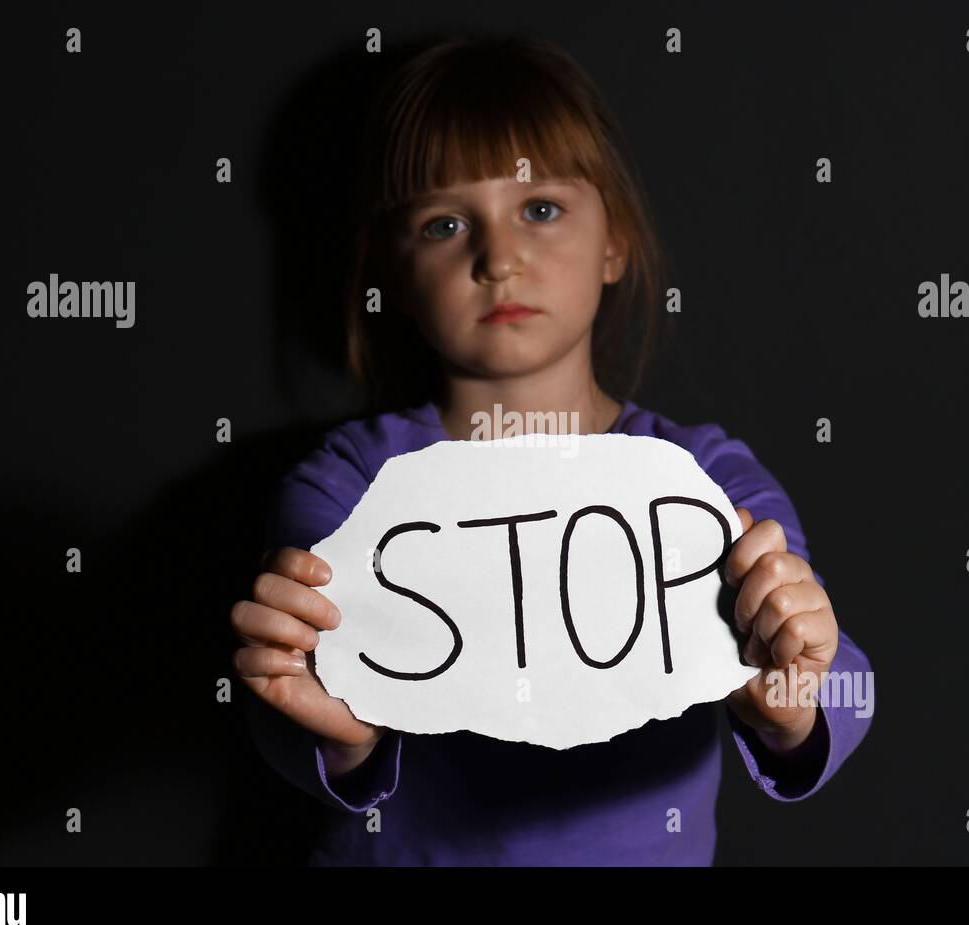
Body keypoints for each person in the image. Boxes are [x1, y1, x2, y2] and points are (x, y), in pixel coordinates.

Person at [230, 34, 873, 865]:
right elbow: (292, 705)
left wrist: (795, 698)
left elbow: (834, 671)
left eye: (540, 209)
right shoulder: (351, 484)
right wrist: (341, 736)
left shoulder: (707, 478)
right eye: (445, 223)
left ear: (615, 243)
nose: (499, 259)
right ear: (391, 270)